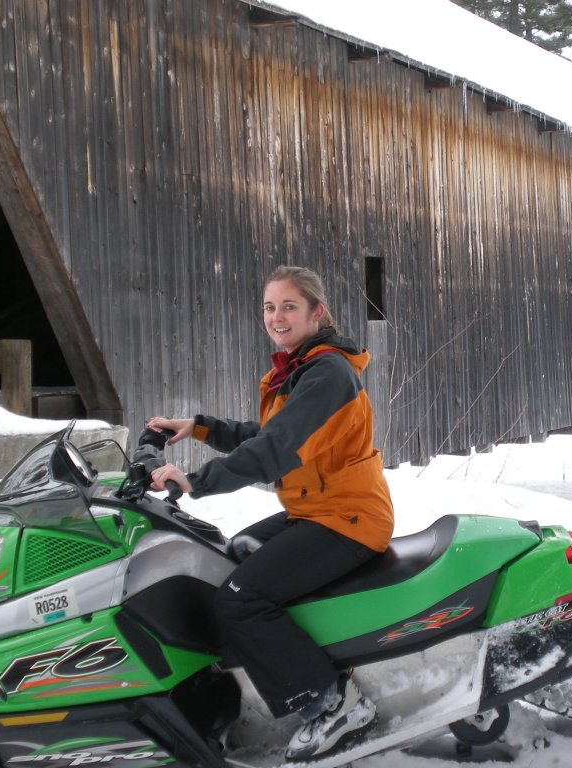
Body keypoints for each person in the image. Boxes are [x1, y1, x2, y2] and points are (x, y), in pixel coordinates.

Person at [147, 265, 394, 761]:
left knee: (239, 599)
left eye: (288, 306)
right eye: (269, 307)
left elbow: (275, 450)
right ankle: (246, 685)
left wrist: (196, 480)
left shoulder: (327, 373)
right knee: (231, 556)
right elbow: (261, 436)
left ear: (316, 312)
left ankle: (333, 703)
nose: (276, 317)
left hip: (347, 518)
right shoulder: (301, 368)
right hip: (316, 510)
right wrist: (197, 427)